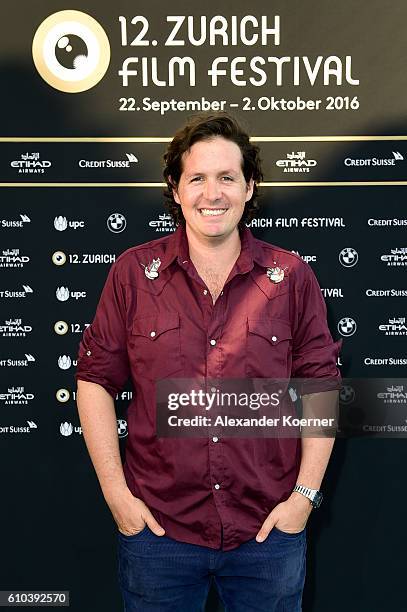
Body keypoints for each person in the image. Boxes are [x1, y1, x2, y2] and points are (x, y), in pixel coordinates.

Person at [75, 113, 342, 611]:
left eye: (226, 177)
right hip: (158, 533)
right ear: (175, 189)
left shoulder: (292, 277)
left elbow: (321, 385)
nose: (211, 193)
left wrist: (304, 498)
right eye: (197, 178)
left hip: (268, 535)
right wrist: (117, 495)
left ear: (249, 187)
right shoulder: (133, 274)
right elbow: (94, 380)